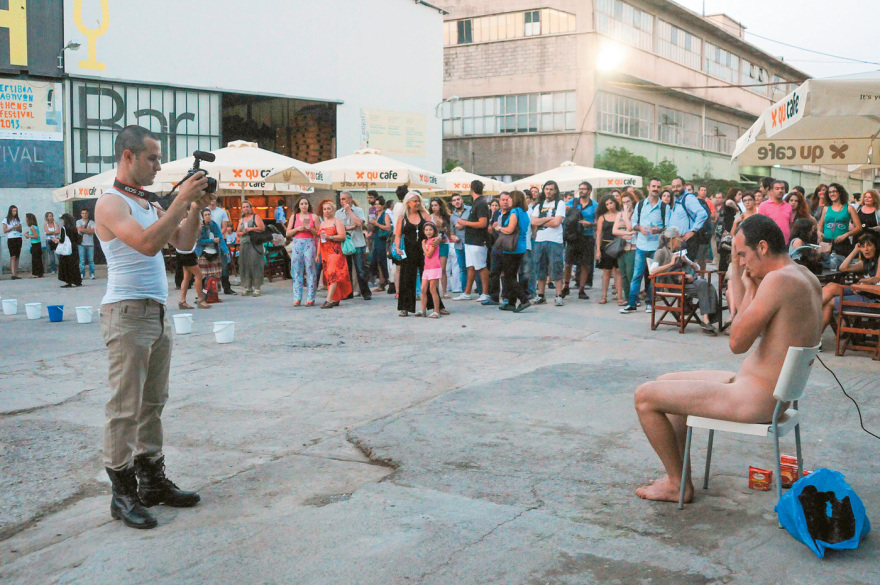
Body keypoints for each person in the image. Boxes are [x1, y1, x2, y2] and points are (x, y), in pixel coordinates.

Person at [633, 214, 822, 503]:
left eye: (743, 255)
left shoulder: (777, 280)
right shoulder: (805, 276)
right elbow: (746, 325)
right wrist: (743, 279)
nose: (742, 262)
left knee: (645, 396)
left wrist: (745, 282)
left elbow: (736, 342)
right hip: (772, 392)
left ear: (762, 247)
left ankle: (676, 484)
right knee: (665, 383)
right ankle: (678, 476)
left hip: (755, 399)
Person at [94, 125, 206, 529]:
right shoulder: (111, 204)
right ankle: (122, 495)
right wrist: (179, 200)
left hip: (156, 313)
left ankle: (152, 482)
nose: (159, 165)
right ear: (129, 156)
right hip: (126, 313)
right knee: (124, 408)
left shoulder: (146, 203)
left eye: (159, 158)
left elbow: (182, 243)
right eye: (153, 158)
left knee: (153, 402)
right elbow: (145, 244)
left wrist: (194, 208)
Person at [649, 226, 719, 335]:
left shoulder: (680, 252)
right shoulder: (661, 252)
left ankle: (707, 320)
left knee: (708, 286)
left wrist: (687, 261)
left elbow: (698, 268)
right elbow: (652, 271)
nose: (681, 240)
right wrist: (671, 263)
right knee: (704, 286)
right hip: (672, 284)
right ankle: (706, 321)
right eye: (679, 238)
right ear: (672, 240)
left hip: (684, 282)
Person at [394, 192, 446, 316]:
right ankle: (405, 308)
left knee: (430, 279)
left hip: (425, 251)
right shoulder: (402, 217)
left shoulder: (424, 214)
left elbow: (434, 230)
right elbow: (397, 234)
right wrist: (397, 247)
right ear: (408, 203)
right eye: (414, 201)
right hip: (408, 251)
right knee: (406, 279)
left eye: (418, 201)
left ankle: (436, 306)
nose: (417, 203)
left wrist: (438, 238)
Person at [621, 178, 667, 314]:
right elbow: (633, 223)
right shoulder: (641, 205)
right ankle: (632, 303)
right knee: (637, 275)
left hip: (656, 246)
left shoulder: (664, 207)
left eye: (658, 186)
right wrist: (640, 228)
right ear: (648, 187)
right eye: (653, 186)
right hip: (641, 245)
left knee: (653, 276)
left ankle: (650, 303)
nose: (655, 189)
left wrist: (658, 230)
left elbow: (668, 226)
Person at [819, 233, 880, 334]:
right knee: (831, 286)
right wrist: (855, 250)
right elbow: (843, 268)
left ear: (876, 246)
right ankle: (810, 314)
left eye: (869, 245)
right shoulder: (867, 263)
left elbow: (877, 279)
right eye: (863, 246)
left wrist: (864, 284)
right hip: (863, 292)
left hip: (874, 299)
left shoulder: (878, 259)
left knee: (830, 303)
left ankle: (815, 337)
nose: (866, 249)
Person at [530, 180, 567, 306]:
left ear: (555, 191)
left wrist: (541, 221)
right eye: (547, 189)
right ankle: (541, 295)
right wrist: (547, 219)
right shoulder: (539, 205)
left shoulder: (560, 203)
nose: (549, 191)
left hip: (555, 240)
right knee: (540, 267)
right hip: (540, 240)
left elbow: (556, 223)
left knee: (556, 267)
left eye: (551, 189)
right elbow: (533, 222)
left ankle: (558, 295)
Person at [453, 180, 491, 302]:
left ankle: (485, 293)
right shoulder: (476, 203)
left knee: (481, 267)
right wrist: (465, 225)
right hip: (470, 240)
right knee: (470, 267)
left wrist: (465, 223)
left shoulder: (481, 204)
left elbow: (483, 223)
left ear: (471, 189)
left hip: (478, 241)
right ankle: (467, 292)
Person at [496, 190, 532, 313]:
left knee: (509, 277)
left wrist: (500, 228)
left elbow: (510, 230)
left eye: (510, 198)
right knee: (512, 274)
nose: (508, 200)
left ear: (515, 199)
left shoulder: (514, 212)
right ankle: (511, 302)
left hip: (512, 248)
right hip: (521, 246)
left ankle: (523, 299)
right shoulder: (524, 212)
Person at [563, 181, 597, 300]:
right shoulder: (572, 202)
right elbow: (563, 214)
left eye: (584, 189)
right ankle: (566, 286)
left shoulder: (595, 205)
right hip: (573, 236)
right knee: (568, 263)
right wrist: (565, 210)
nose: (581, 190)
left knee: (584, 265)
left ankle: (581, 289)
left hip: (587, 237)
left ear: (589, 191)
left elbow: (599, 223)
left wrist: (591, 223)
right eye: (580, 188)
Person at [336, 191, 371, 301]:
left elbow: (359, 223)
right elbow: (338, 227)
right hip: (345, 243)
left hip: (358, 243)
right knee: (346, 270)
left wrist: (349, 211)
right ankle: (348, 292)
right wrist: (351, 226)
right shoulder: (338, 213)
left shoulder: (358, 210)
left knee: (360, 269)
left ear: (350, 200)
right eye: (341, 199)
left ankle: (365, 292)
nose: (342, 201)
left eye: (344, 199)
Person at [317, 199, 351, 308]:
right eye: (324, 209)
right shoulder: (322, 223)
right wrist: (317, 254)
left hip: (335, 251)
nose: (326, 211)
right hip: (325, 252)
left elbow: (342, 236)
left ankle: (329, 300)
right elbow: (320, 240)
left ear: (333, 210)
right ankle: (336, 298)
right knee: (328, 275)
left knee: (333, 274)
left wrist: (330, 237)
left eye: (328, 209)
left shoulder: (337, 221)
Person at [819, 183, 862, 268]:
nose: (832, 194)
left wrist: (846, 235)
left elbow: (858, 227)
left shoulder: (849, 208)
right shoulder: (826, 208)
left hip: (842, 243)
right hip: (826, 243)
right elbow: (820, 226)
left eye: (834, 191)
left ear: (840, 193)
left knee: (840, 269)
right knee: (826, 269)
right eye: (830, 192)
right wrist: (819, 233)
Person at [286, 196, 319, 306]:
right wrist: (297, 229)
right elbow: (288, 233)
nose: (304, 205)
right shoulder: (294, 217)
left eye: (306, 203)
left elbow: (319, 233)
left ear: (309, 205)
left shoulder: (313, 217)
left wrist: (310, 229)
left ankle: (310, 297)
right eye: (302, 204)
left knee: (310, 268)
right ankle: (297, 297)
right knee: (296, 270)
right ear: (299, 206)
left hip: (309, 242)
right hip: (297, 242)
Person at [176, 210, 212, 310]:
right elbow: (188, 235)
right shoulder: (186, 222)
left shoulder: (191, 221)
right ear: (188, 211)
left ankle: (182, 301)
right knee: (199, 275)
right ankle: (200, 300)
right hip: (186, 252)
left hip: (186, 251)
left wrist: (198, 228)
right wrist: (197, 228)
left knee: (187, 276)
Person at [668, 177, 708, 259]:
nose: (675, 189)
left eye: (678, 186)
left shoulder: (688, 198)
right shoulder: (677, 199)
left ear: (684, 186)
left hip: (687, 241)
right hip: (678, 241)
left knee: (687, 268)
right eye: (673, 187)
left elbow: (702, 214)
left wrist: (693, 231)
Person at [594, 195, 624, 305]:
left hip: (618, 245)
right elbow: (599, 234)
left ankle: (620, 296)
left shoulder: (621, 215)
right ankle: (604, 296)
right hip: (606, 246)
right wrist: (598, 249)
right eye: (607, 204)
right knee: (606, 271)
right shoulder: (602, 217)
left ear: (615, 203)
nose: (609, 206)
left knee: (618, 271)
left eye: (611, 203)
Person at [207, 194, 236, 295]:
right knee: (207, 266)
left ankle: (226, 287)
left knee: (224, 265)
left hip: (220, 240)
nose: (212, 201)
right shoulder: (204, 211)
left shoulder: (222, 211)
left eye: (214, 199)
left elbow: (224, 227)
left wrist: (218, 236)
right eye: (211, 199)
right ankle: (208, 288)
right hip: (208, 241)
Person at [236, 200, 266, 297]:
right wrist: (243, 232)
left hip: (254, 244)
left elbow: (262, 228)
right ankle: (247, 287)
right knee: (245, 265)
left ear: (251, 207)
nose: (245, 208)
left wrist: (250, 229)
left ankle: (257, 287)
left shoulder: (255, 217)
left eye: (247, 206)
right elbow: (238, 232)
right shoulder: (241, 220)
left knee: (255, 264)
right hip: (244, 244)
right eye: (244, 207)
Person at [613, 191, 637, 306]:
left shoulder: (636, 213)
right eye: (623, 202)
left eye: (628, 201)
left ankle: (634, 298)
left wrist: (627, 216)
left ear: (632, 201)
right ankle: (627, 298)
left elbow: (630, 226)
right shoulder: (619, 214)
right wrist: (627, 232)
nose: (626, 204)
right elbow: (614, 230)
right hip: (621, 247)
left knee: (631, 273)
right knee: (623, 274)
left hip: (632, 247)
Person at [757, 180, 795, 244]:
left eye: (782, 188)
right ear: (771, 191)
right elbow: (759, 225)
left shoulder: (788, 206)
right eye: (777, 189)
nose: (780, 191)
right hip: (769, 243)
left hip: (785, 243)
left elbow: (790, 225)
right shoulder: (764, 206)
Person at [368, 196, 392, 293]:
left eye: (379, 204)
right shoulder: (376, 214)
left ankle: (386, 281)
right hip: (376, 238)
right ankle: (382, 282)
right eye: (376, 204)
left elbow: (388, 228)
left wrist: (377, 224)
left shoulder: (385, 214)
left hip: (382, 240)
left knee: (382, 261)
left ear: (383, 205)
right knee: (377, 261)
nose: (377, 206)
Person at [429, 197, 452, 298]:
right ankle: (435, 290)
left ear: (440, 206)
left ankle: (445, 291)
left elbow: (449, 231)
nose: (434, 207)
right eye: (432, 205)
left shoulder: (445, 217)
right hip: (434, 244)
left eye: (436, 205)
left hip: (444, 243)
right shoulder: (430, 217)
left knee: (442, 268)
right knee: (434, 268)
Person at [448, 193, 471, 294]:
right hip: (459, 244)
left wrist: (464, 224)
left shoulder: (470, 210)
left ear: (462, 200)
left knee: (474, 267)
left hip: (470, 243)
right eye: (454, 200)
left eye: (458, 199)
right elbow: (451, 232)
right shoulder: (452, 216)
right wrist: (453, 237)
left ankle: (480, 291)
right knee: (462, 268)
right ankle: (465, 291)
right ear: (452, 203)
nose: (456, 202)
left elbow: (475, 222)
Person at [420, 222, 443, 318]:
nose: (428, 232)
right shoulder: (426, 241)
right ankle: (423, 310)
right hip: (427, 267)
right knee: (423, 289)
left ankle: (436, 311)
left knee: (433, 289)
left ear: (434, 231)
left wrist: (423, 247)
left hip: (434, 267)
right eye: (426, 230)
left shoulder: (433, 241)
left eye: (430, 230)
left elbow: (429, 254)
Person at [57, 213, 82, 288]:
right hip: (74, 247)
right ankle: (77, 280)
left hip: (67, 248)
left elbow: (62, 240)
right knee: (74, 264)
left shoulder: (64, 228)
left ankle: (69, 281)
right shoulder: (74, 228)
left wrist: (56, 240)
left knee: (66, 265)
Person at [3, 205, 23, 279]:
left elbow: (21, 230)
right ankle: (13, 274)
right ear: (10, 211)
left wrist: (17, 227)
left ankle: (16, 273)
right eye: (13, 211)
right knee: (13, 256)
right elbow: (4, 231)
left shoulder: (18, 219)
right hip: (11, 238)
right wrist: (12, 227)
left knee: (17, 256)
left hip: (18, 238)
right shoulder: (6, 220)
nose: (15, 212)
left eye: (16, 211)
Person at [76, 208, 97, 279]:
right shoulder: (78, 222)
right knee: (82, 260)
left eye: (85, 213)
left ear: (88, 214)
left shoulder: (92, 222)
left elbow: (93, 231)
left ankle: (92, 273)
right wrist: (88, 230)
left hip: (90, 244)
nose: (84, 215)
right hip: (81, 243)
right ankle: (82, 273)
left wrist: (83, 230)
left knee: (91, 260)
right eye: (83, 213)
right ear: (81, 214)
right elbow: (79, 229)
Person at [24, 213, 43, 278]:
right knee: (37, 258)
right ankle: (39, 272)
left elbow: (35, 236)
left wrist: (28, 235)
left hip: (35, 244)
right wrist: (27, 235)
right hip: (36, 244)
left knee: (35, 259)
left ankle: (36, 273)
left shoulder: (32, 227)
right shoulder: (35, 226)